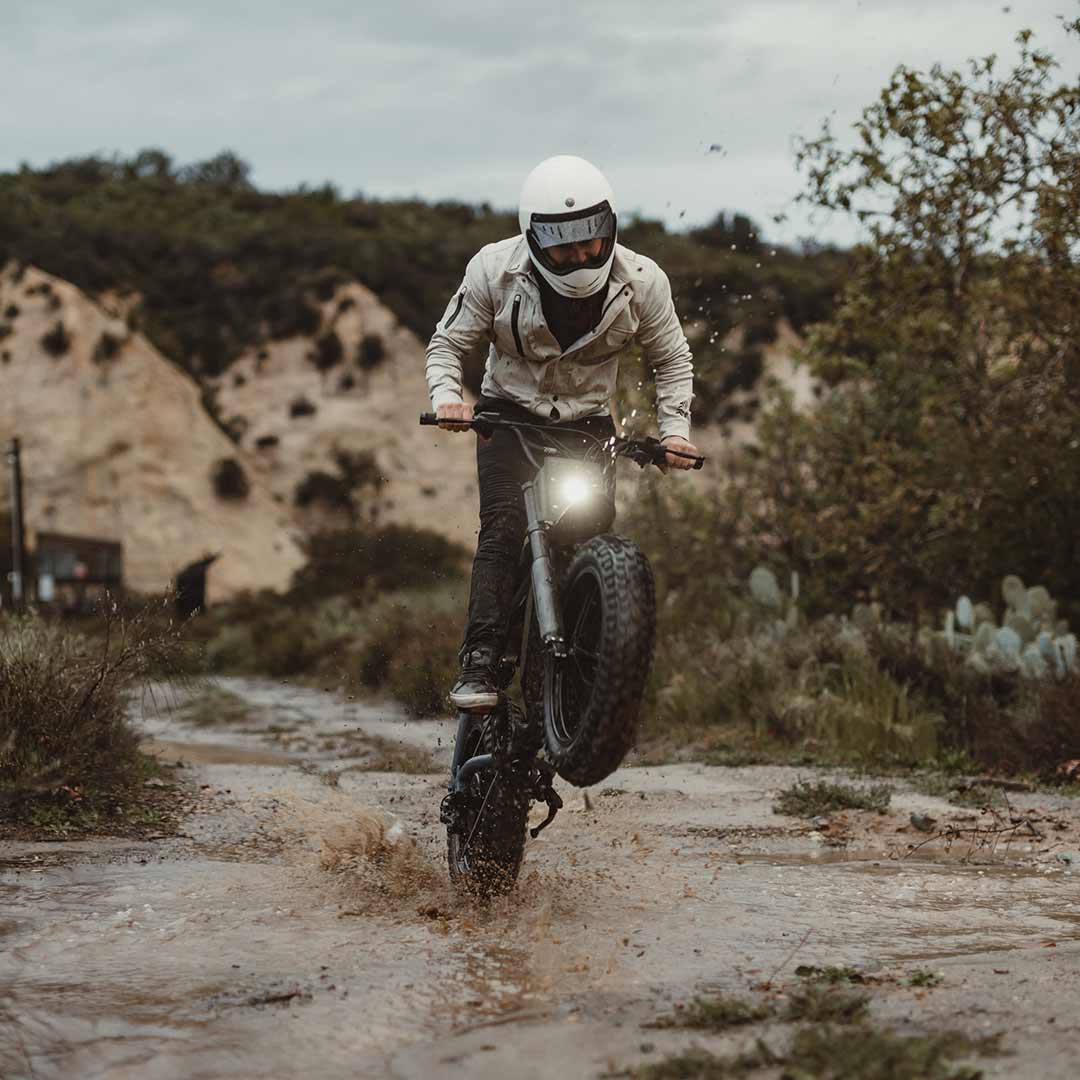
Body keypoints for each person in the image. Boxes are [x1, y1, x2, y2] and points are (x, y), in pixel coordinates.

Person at [425, 154, 698, 711]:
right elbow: (448, 344)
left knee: (591, 541)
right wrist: (449, 399)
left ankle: (581, 682)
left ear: (609, 226)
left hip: (589, 426)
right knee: (502, 531)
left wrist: (674, 432)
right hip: (507, 416)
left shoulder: (643, 281)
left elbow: (673, 359)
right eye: (562, 243)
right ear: (533, 237)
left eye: (589, 239)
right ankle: (479, 662)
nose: (578, 254)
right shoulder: (493, 270)